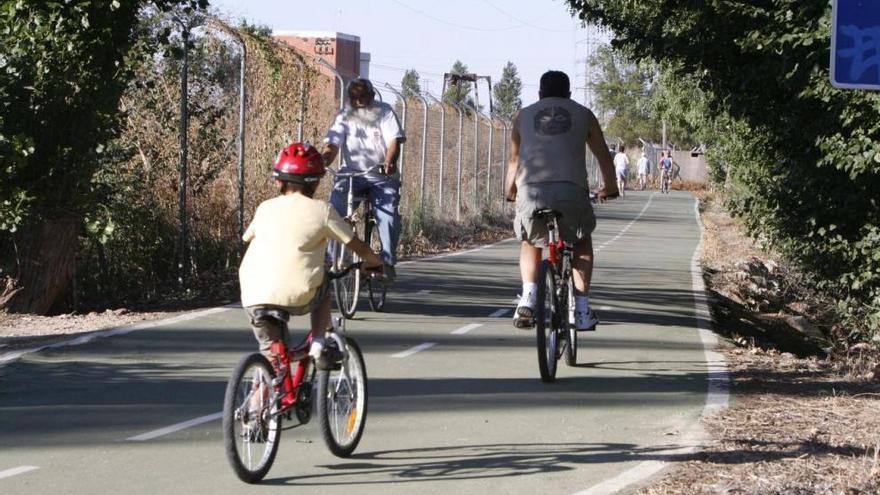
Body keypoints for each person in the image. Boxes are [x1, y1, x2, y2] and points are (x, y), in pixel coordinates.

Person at [239, 142, 383, 368]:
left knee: (274, 365)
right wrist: (375, 263)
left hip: (253, 294)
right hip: (298, 292)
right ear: (316, 182)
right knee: (324, 280)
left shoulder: (265, 207)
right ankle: (318, 343)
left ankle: (256, 402)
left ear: (278, 180)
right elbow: (357, 246)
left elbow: (247, 238)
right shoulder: (322, 211)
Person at [504, 70, 619, 331]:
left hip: (531, 190)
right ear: (568, 94)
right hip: (571, 190)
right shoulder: (584, 114)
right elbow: (603, 156)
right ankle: (581, 310)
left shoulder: (523, 115)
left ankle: (529, 297)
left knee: (530, 240)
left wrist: (510, 191)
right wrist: (610, 188)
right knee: (581, 240)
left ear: (540, 94)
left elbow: (514, 160)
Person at [321, 78, 406, 282]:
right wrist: (323, 160)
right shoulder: (344, 116)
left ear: (372, 96)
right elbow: (332, 144)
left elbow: (394, 142)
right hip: (351, 174)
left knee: (388, 215)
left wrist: (389, 162)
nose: (358, 101)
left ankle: (387, 261)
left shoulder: (384, 112)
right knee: (334, 211)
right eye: (354, 97)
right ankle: (332, 258)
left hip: (381, 176)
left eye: (363, 97)